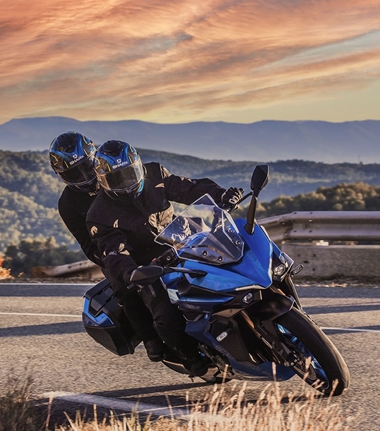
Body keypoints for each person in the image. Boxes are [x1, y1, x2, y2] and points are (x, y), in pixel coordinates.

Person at [86, 140, 242, 376]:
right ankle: (192, 359)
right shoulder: (99, 214)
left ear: (138, 167)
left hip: (183, 241)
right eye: (117, 178)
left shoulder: (155, 174)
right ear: (102, 181)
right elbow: (114, 252)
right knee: (166, 317)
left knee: (234, 268)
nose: (126, 182)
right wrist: (132, 272)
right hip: (150, 267)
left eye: (129, 174)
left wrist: (221, 194)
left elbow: (188, 188)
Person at [48, 132, 166, 362]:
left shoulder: (117, 176)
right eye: (74, 173)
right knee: (124, 287)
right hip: (112, 252)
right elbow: (86, 242)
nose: (84, 177)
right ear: (61, 175)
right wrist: (113, 257)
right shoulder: (68, 204)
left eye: (86, 168)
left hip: (148, 236)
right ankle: (151, 338)